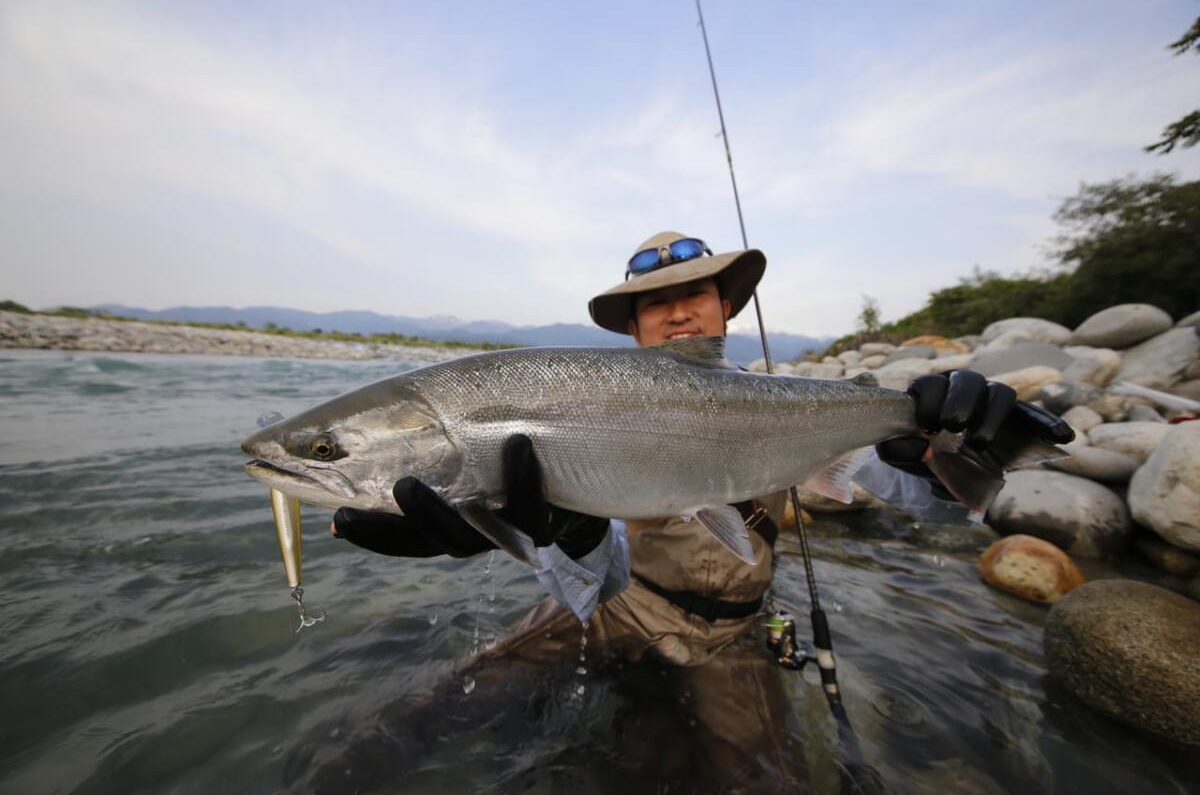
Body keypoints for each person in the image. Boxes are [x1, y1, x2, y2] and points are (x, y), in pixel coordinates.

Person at [326, 231, 1072, 790]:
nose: (677, 311)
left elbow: (925, 500)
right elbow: (590, 582)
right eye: (655, 302)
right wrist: (570, 531)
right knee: (431, 712)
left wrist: (955, 447)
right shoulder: (585, 407)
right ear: (634, 328)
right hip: (615, 607)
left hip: (733, 633)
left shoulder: (800, 407)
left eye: (695, 295)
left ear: (727, 308)